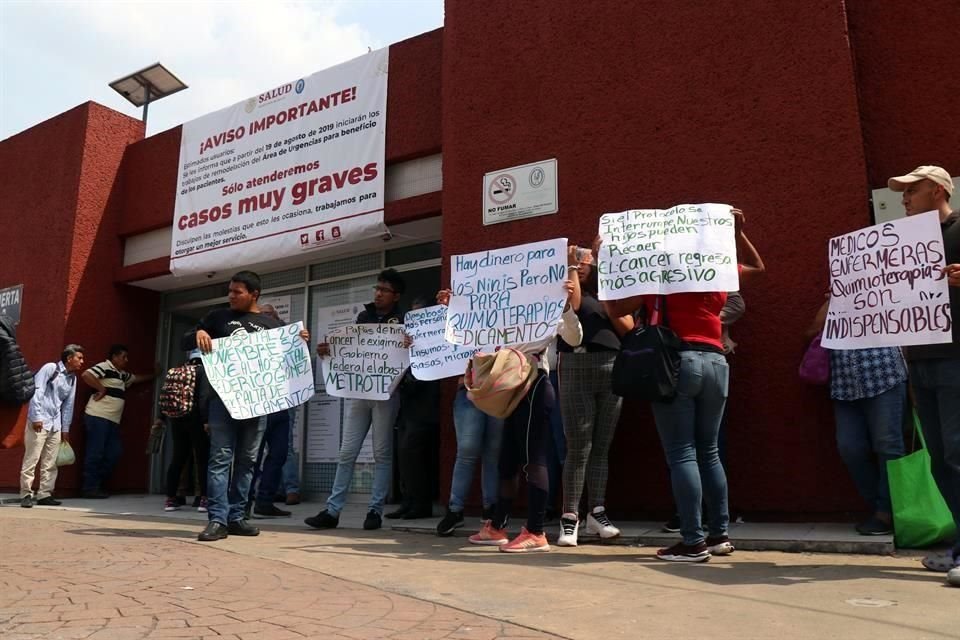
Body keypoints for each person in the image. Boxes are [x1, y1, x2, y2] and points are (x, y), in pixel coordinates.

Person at [604, 208, 764, 562]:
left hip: (678, 363)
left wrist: (608, 262)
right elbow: (757, 269)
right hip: (717, 363)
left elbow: (616, 310)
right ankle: (719, 534)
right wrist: (737, 234)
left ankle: (692, 541)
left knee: (682, 453)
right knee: (709, 450)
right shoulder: (716, 272)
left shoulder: (660, 277)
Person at [183, 270, 310, 542]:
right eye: (229, 291)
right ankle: (217, 520)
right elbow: (187, 338)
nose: (231, 296)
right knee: (220, 460)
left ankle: (237, 516)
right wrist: (199, 333)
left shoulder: (271, 326)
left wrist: (301, 343)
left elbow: (290, 362)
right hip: (222, 401)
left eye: (237, 291)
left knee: (247, 461)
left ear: (254, 294)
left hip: (257, 404)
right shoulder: (217, 318)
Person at [465, 272, 584, 553]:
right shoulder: (505, 311)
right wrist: (454, 309)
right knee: (507, 460)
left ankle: (536, 531)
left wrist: (566, 307)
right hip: (509, 387)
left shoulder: (548, 308)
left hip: (535, 386)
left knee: (534, 459)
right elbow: (474, 328)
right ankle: (497, 525)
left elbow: (575, 338)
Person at [887, 166, 960, 584]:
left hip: (956, 361)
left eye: (911, 191)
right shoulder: (907, 244)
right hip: (922, 364)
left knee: (957, 454)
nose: (904, 199)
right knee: (940, 463)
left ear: (936, 190)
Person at [306, 269, 406, 532]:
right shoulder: (364, 316)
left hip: (387, 393)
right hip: (360, 394)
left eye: (384, 290)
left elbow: (413, 356)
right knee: (346, 452)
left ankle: (374, 510)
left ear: (396, 296)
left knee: (381, 454)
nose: (378, 293)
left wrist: (411, 345)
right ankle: (332, 510)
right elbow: (350, 350)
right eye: (377, 288)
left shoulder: (404, 320)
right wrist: (328, 351)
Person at [806, 297, 907, 535]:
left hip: (886, 375)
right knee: (850, 448)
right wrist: (831, 300)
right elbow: (811, 332)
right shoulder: (837, 297)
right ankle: (881, 507)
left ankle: (886, 513)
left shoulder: (891, 291)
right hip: (845, 384)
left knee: (889, 445)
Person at [557, 243, 632, 546]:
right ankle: (569, 516)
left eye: (586, 259)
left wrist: (610, 296)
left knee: (601, 445)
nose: (582, 263)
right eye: (578, 260)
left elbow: (628, 329)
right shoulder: (567, 289)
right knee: (579, 446)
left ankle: (596, 512)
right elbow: (574, 304)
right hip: (576, 365)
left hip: (611, 367)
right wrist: (570, 265)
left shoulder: (612, 295)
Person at [388, 297, 441, 520]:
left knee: (415, 452)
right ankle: (408, 501)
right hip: (408, 405)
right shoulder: (407, 342)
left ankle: (421, 503)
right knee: (404, 453)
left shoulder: (434, 341)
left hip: (425, 404)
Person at [80, 344, 155, 498]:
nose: (126, 360)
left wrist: (156, 374)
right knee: (96, 453)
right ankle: (89, 488)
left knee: (114, 452)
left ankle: (97, 484)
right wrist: (102, 389)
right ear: (114, 357)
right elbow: (87, 375)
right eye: (123, 357)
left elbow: (136, 378)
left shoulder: (122, 374)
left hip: (113, 420)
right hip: (98, 416)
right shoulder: (105, 366)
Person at [20, 344, 84, 508]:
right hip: (40, 421)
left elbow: (68, 405)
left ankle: (45, 494)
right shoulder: (51, 368)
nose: (82, 362)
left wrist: (65, 429)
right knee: (32, 458)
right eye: (79, 358)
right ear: (69, 358)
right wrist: (36, 417)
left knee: (51, 462)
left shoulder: (72, 378)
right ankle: (26, 494)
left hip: (55, 424)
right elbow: (37, 391)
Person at [247, 304, 294, 518]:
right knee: (252, 456)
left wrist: (300, 339)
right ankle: (244, 503)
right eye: (263, 314)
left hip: (281, 405)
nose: (267, 318)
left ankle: (265, 501)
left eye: (270, 314)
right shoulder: (248, 337)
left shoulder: (285, 337)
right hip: (259, 405)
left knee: (279, 454)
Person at [162, 349, 212, 513]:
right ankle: (204, 499)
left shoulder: (178, 370)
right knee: (202, 458)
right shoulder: (203, 371)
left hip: (177, 419)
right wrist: (206, 420)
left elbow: (166, 395)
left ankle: (170, 499)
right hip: (196, 419)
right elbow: (204, 396)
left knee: (178, 458)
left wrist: (161, 418)